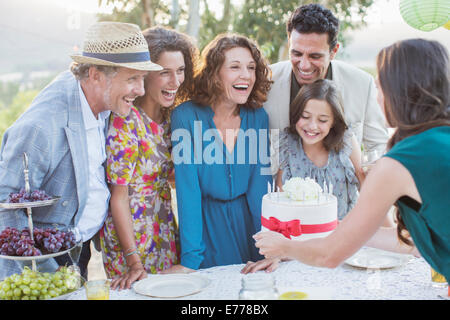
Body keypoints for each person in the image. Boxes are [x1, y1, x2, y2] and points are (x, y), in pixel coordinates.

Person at [242, 38, 450, 282]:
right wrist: (333, 229)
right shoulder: (438, 140)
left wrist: (285, 246)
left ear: (399, 92)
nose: (377, 97)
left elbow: (329, 255)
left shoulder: (398, 163)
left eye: (380, 87)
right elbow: (410, 243)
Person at [0, 22, 162, 279]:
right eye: (132, 78)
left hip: (80, 247)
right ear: (96, 74)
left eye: (141, 79)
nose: (141, 90)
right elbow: (5, 209)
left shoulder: (101, 96)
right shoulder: (42, 127)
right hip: (47, 261)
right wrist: (40, 276)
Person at [163, 33, 272, 273]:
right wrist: (190, 260)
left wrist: (269, 248)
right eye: (235, 67)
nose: (246, 75)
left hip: (250, 232)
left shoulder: (258, 117)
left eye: (251, 68)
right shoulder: (185, 117)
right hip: (206, 233)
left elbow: (260, 189)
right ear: (214, 73)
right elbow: (187, 190)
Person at [99, 26, 199, 290]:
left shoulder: (172, 118)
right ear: (145, 75)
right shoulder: (124, 121)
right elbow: (117, 197)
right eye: (165, 72)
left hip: (163, 224)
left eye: (180, 71)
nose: (175, 81)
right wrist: (133, 261)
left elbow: (174, 177)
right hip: (130, 234)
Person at [264, 3, 388, 177]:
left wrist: (370, 171)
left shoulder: (362, 84)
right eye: (297, 54)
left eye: (315, 56)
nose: (304, 65)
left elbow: (378, 147)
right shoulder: (265, 81)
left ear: (333, 52)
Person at [277, 79, 364, 219]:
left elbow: (368, 190)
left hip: (342, 234)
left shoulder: (346, 142)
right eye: (305, 116)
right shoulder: (287, 144)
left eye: (322, 120)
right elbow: (280, 198)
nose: (312, 126)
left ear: (333, 122)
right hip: (300, 235)